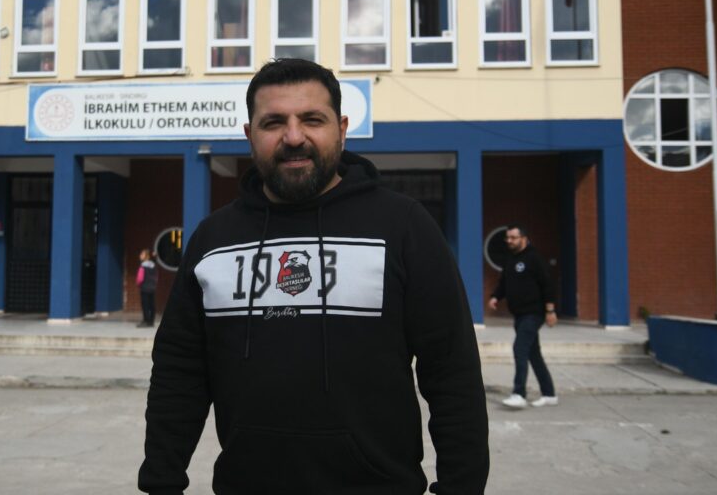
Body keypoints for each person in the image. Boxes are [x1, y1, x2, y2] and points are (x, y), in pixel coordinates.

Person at [139, 59, 489, 494]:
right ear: (249, 135)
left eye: (312, 119)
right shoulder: (214, 238)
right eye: (273, 122)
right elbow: (179, 372)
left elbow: (452, 370)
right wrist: (161, 481)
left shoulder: (403, 226)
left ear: (341, 130)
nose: (293, 137)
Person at [488, 224, 558, 409]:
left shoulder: (534, 258)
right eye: (507, 238)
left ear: (524, 239)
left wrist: (550, 310)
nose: (509, 241)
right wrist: (495, 297)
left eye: (513, 238)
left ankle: (519, 394)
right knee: (534, 354)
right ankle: (549, 394)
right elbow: (504, 283)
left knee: (520, 348)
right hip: (519, 315)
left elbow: (547, 285)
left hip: (533, 313)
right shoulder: (510, 259)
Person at [136, 249, 157, 328]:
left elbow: (140, 278)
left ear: (145, 256)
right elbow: (156, 276)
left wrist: (138, 284)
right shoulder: (153, 265)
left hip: (144, 288)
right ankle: (151, 321)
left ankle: (146, 321)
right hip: (152, 287)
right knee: (152, 305)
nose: (140, 255)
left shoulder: (142, 266)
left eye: (142, 254)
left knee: (145, 305)